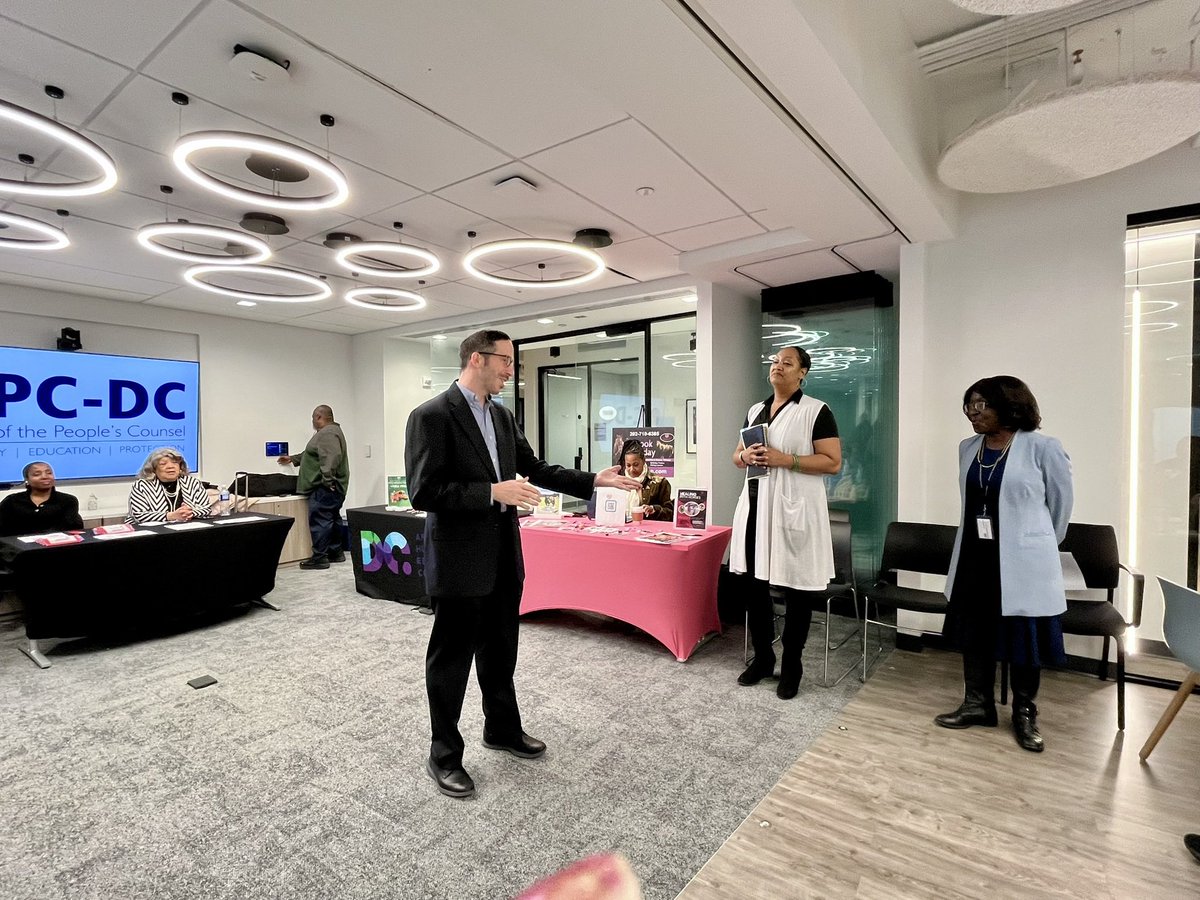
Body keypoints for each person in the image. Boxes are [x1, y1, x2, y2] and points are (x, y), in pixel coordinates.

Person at [405, 329, 641, 800]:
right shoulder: (431, 416)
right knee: (451, 660)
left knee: (501, 651)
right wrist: (491, 492)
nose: (511, 370)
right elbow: (423, 491)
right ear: (477, 359)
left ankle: (502, 728)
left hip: (502, 557)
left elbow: (537, 468)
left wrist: (593, 480)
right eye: (506, 360)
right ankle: (444, 755)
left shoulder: (502, 414)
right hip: (458, 561)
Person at [937, 376, 1073, 753]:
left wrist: (1037, 541)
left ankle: (1024, 713)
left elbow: (1060, 509)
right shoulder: (968, 448)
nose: (972, 413)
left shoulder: (1043, 448)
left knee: (1022, 639)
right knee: (974, 631)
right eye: (968, 406)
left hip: (1023, 561)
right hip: (974, 556)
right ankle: (977, 704)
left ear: (1009, 405)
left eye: (980, 405)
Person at [730, 345, 841, 700]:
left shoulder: (816, 411)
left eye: (787, 362)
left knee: (797, 589)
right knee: (754, 587)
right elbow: (736, 456)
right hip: (755, 507)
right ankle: (763, 658)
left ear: (802, 372)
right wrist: (745, 455)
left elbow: (832, 462)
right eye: (775, 361)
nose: (778, 366)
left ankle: (792, 665)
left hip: (794, 510)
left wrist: (785, 460)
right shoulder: (755, 410)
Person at [278, 405, 349, 570]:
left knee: (320, 521)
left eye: (313, 418)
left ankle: (320, 558)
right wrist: (293, 459)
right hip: (333, 486)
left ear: (318, 417)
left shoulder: (327, 433)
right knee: (332, 519)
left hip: (324, 487)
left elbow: (331, 457)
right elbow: (312, 453)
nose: (312, 421)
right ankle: (335, 552)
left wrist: (328, 481)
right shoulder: (331, 432)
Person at [127, 448, 212, 524]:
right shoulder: (142, 485)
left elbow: (206, 508)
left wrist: (190, 513)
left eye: (175, 463)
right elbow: (139, 515)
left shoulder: (192, 482)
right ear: (153, 469)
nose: (170, 467)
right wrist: (170, 516)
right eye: (163, 464)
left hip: (187, 529)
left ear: (180, 467)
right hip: (151, 532)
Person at [0, 461, 84, 536]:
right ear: (27, 480)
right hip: (17, 546)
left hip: (56, 545)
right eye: (37, 474)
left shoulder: (68, 500)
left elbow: (69, 529)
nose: (44, 477)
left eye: (49, 473)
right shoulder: (12, 501)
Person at [621, 440, 672, 521]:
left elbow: (670, 513)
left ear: (644, 461)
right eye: (628, 465)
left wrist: (654, 509)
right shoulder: (619, 481)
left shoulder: (660, 482)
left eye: (636, 465)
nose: (632, 469)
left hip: (648, 527)